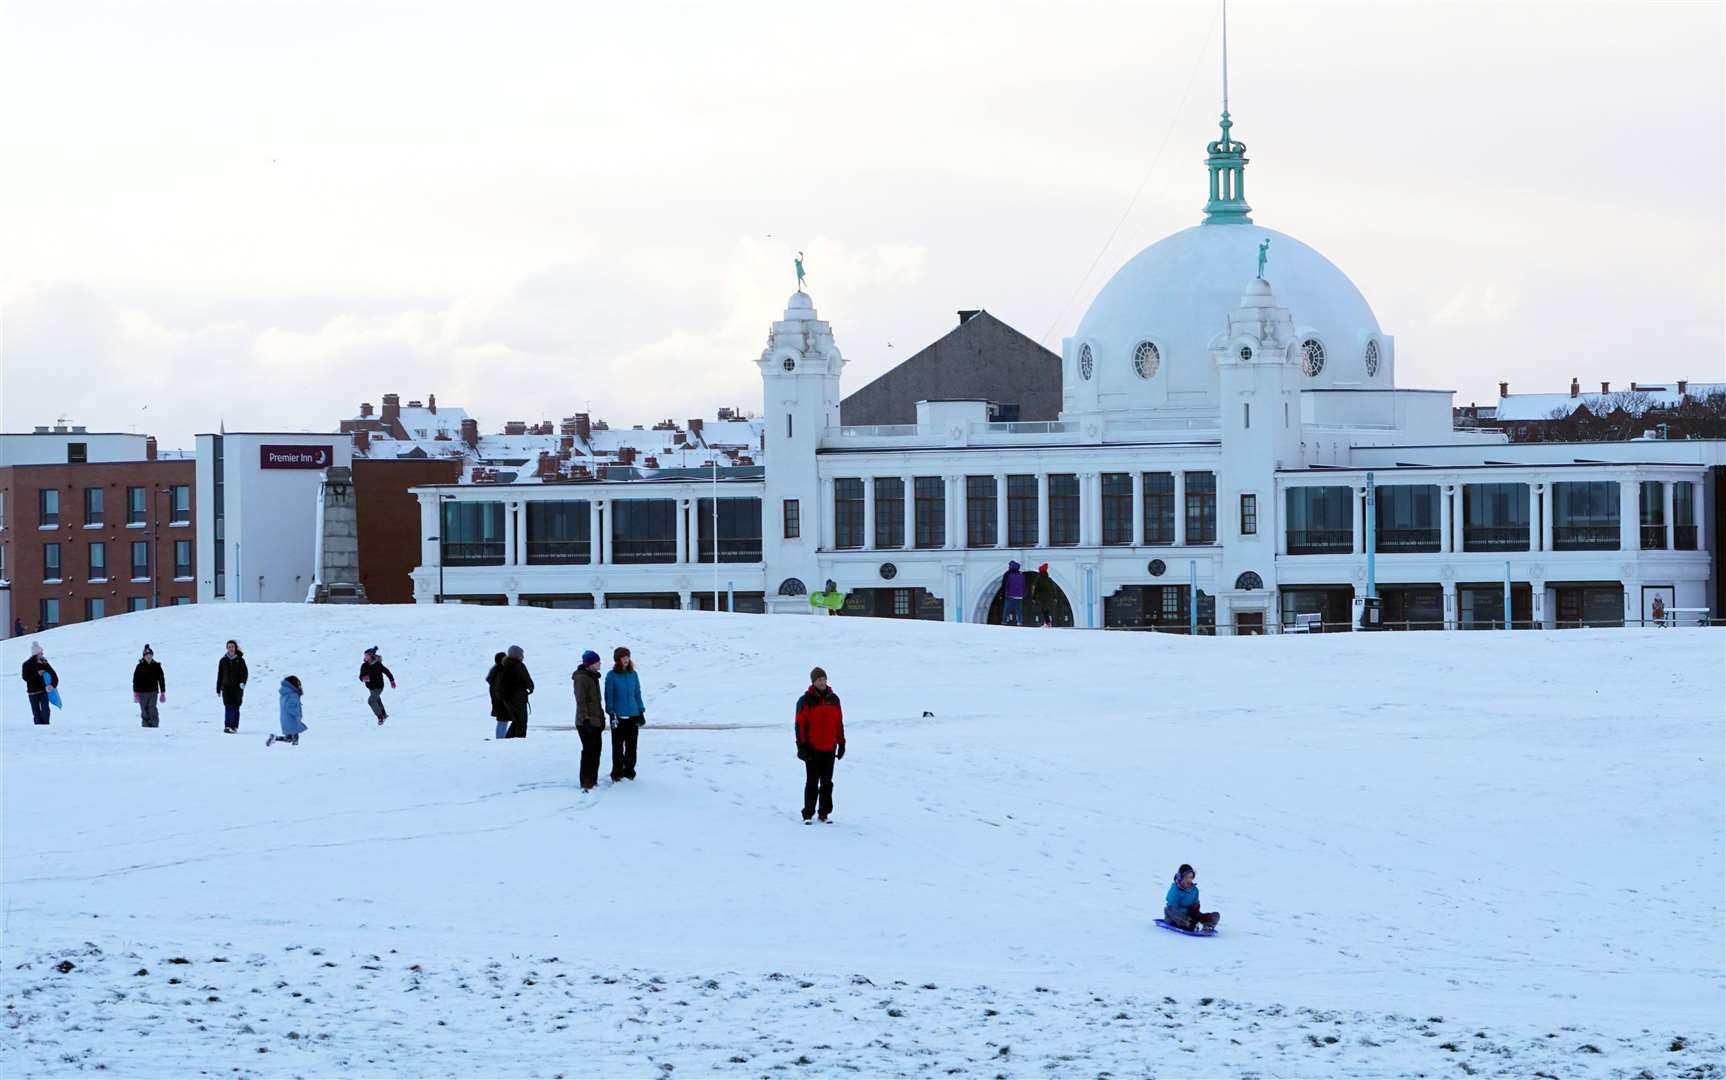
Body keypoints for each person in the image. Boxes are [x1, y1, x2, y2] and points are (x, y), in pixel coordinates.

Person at [794, 666, 845, 823]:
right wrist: (801, 747)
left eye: (824, 679)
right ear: (813, 682)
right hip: (812, 749)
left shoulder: (834, 699)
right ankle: (808, 814)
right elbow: (799, 725)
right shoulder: (805, 701)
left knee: (827, 782)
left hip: (829, 747)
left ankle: (824, 813)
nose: (822, 682)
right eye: (819, 679)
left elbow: (838, 723)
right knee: (812, 782)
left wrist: (841, 743)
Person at [604, 646, 646, 782]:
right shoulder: (612, 675)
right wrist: (610, 712)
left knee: (632, 746)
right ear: (617, 660)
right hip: (619, 717)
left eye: (628, 657)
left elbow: (637, 693)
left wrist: (641, 710)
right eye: (623, 658)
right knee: (617, 747)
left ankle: (629, 770)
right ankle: (617, 772)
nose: (626, 660)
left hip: (633, 716)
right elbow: (608, 696)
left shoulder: (633, 674)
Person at [572, 650, 605, 791]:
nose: (600, 664)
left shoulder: (593, 677)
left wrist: (601, 717)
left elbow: (596, 701)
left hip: (595, 720)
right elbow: (581, 700)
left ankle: (593, 779)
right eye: (597, 661)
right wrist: (585, 719)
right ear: (590, 663)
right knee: (589, 751)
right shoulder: (582, 678)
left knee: (596, 750)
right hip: (586, 722)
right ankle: (586, 781)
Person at [1164, 864, 1220, 932]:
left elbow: (1196, 904)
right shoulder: (1175, 890)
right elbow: (1173, 908)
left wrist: (1195, 910)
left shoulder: (1194, 890)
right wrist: (1186, 914)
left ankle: (1206, 926)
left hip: (1190, 917)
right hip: (1175, 918)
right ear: (1180, 877)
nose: (1189, 880)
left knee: (1216, 915)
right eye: (1186, 877)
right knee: (1169, 909)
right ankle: (1194, 925)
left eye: (1191, 877)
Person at [497, 645, 534, 739]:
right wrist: (531, 688)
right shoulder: (519, 666)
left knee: (516, 720)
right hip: (519, 697)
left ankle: (508, 739)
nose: (523, 656)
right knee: (522, 720)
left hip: (507, 699)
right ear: (517, 655)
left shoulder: (504, 666)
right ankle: (519, 740)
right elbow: (528, 681)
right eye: (521, 654)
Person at [21, 642, 57, 726]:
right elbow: (25, 678)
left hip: (44, 691)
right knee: (36, 713)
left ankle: (45, 726)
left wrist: (52, 685)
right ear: (36, 654)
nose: (43, 654)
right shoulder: (27, 664)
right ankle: (38, 730)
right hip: (32, 692)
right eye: (41, 652)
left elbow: (54, 675)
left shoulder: (44, 663)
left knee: (46, 711)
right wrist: (37, 674)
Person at [216, 640, 248, 733]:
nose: (231, 648)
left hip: (237, 688)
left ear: (235, 648)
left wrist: (243, 683)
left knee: (236, 707)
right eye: (229, 647)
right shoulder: (223, 660)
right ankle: (228, 726)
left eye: (232, 647)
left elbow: (244, 673)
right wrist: (218, 688)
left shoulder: (240, 660)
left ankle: (234, 727)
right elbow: (220, 675)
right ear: (227, 648)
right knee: (229, 706)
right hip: (226, 687)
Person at [358, 646, 396, 725]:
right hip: (370, 687)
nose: (365, 657)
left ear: (371, 655)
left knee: (371, 701)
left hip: (378, 687)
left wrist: (392, 680)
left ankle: (380, 717)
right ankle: (384, 714)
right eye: (364, 655)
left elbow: (387, 672)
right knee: (377, 700)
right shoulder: (364, 665)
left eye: (366, 655)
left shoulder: (378, 665)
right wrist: (363, 678)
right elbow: (361, 676)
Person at [133, 644, 166, 728]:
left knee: (152, 708)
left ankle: (154, 725)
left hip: (153, 692)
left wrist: (163, 692)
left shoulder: (156, 666)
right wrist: (136, 693)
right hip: (142, 693)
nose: (148, 657)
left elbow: (161, 679)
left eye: (150, 655)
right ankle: (146, 726)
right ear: (144, 656)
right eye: (147, 655)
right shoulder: (139, 667)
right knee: (144, 710)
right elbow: (135, 680)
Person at [268, 675, 306, 746]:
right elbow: (290, 707)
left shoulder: (285, 693)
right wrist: (298, 714)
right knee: (295, 739)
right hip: (292, 719)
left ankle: (275, 738)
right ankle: (296, 752)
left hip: (285, 719)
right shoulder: (293, 694)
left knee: (288, 738)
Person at [485, 651, 508, 739]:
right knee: (502, 720)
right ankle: (500, 739)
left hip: (498, 701)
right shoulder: (500, 671)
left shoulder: (495, 670)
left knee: (503, 720)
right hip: (501, 701)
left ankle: (501, 738)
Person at [1030, 562, 1057, 628]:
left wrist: (1033, 597)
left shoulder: (1039, 579)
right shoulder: (1049, 579)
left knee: (1044, 610)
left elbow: (1036, 589)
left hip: (1042, 597)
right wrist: (1055, 597)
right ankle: (1047, 622)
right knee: (1047, 610)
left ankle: (1047, 623)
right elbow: (1053, 589)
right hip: (1049, 597)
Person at [1000, 561, 1027, 626]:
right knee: (1019, 611)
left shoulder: (1007, 574)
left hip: (1010, 595)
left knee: (1007, 610)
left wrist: (1002, 594)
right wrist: (1023, 594)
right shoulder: (1021, 575)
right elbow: (1024, 585)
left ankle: (1004, 621)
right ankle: (1020, 622)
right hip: (1019, 596)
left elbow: (1004, 585)